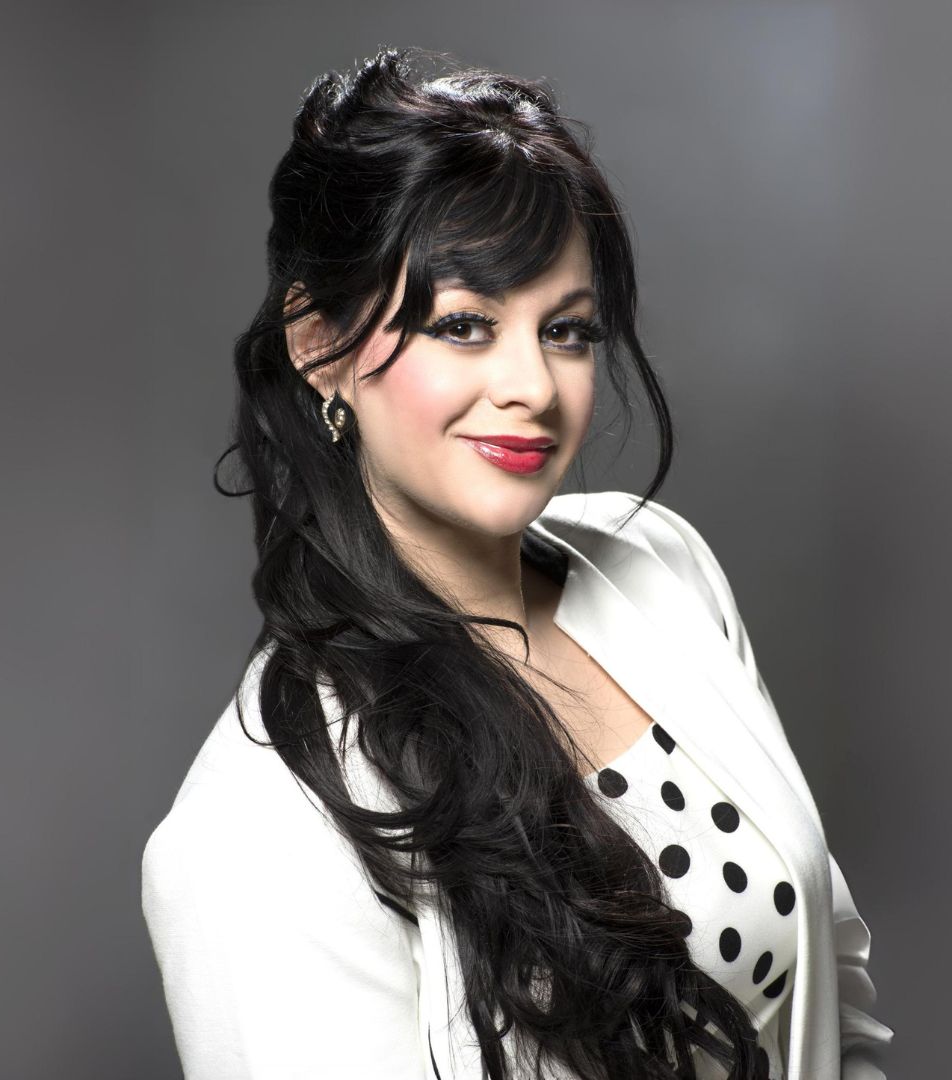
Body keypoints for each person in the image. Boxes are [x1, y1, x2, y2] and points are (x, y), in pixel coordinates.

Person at [140, 47, 893, 1080]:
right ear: (319, 347)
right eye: (464, 326)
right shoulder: (254, 831)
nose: (530, 385)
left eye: (568, 331)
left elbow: (826, 1008)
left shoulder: (662, 570)